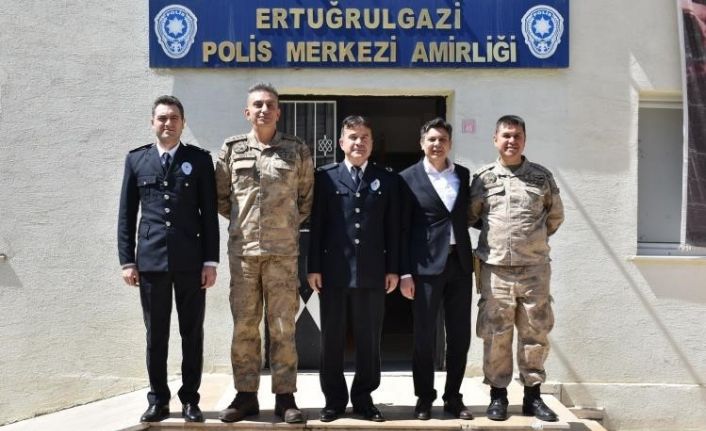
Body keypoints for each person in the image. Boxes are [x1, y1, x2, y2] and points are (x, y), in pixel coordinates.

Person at [215, 83, 314, 424]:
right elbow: (222, 198)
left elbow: (306, 199)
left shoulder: (296, 149)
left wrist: (282, 227)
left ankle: (285, 397)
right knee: (245, 325)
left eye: (270, 104)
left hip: (282, 255)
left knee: (283, 326)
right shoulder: (232, 149)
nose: (264, 110)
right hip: (244, 254)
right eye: (257, 105)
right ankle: (245, 396)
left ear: (278, 112)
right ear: (247, 112)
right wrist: (246, 225)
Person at [117, 95, 219, 423]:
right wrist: (127, 261)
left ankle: (190, 400)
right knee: (156, 334)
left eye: (174, 118)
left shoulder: (198, 160)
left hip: (191, 262)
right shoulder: (137, 160)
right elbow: (126, 214)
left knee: (192, 334)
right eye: (162, 118)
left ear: (183, 123)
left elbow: (208, 215)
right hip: (151, 263)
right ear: (152, 123)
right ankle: (158, 399)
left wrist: (211, 262)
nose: (168, 123)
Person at [469, 115, 564, 422]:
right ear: (495, 139)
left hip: (534, 269)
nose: (512, 141)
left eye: (517, 136)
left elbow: (555, 218)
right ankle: (498, 396)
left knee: (535, 333)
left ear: (524, 139)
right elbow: (472, 216)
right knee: (496, 334)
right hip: (496, 270)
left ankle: (533, 397)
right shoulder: (483, 179)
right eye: (506, 135)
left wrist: (530, 242)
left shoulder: (541, 177)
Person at [307, 115, 400, 423]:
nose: (359, 142)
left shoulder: (386, 179)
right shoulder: (325, 177)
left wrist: (393, 269)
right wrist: (313, 267)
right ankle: (334, 401)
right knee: (332, 340)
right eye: (353, 137)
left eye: (364, 137)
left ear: (371, 143)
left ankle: (363, 399)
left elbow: (393, 229)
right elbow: (317, 226)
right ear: (341, 142)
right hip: (333, 273)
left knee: (369, 340)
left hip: (373, 273)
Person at [399, 117, 474, 421]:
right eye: (431, 139)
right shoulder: (407, 178)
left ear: (450, 144)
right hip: (425, 268)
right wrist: (405, 273)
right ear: (422, 143)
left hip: (460, 264)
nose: (437, 144)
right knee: (424, 336)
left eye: (442, 139)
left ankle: (453, 397)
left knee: (459, 336)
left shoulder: (463, 175)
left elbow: (471, 215)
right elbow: (402, 229)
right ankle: (424, 398)